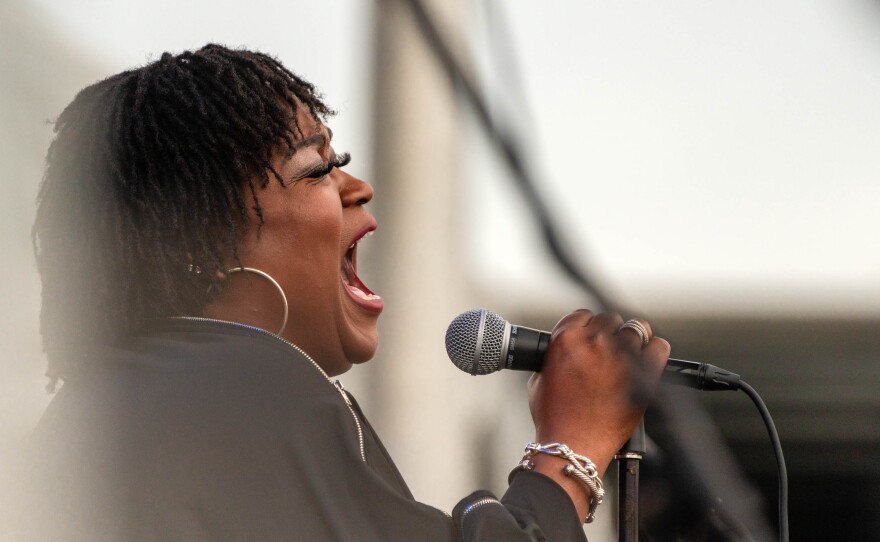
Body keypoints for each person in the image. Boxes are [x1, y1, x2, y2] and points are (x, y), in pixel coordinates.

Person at [22, 44, 670, 541]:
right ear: (196, 240)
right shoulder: (244, 383)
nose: (356, 186)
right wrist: (569, 453)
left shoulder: (107, 408)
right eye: (318, 168)